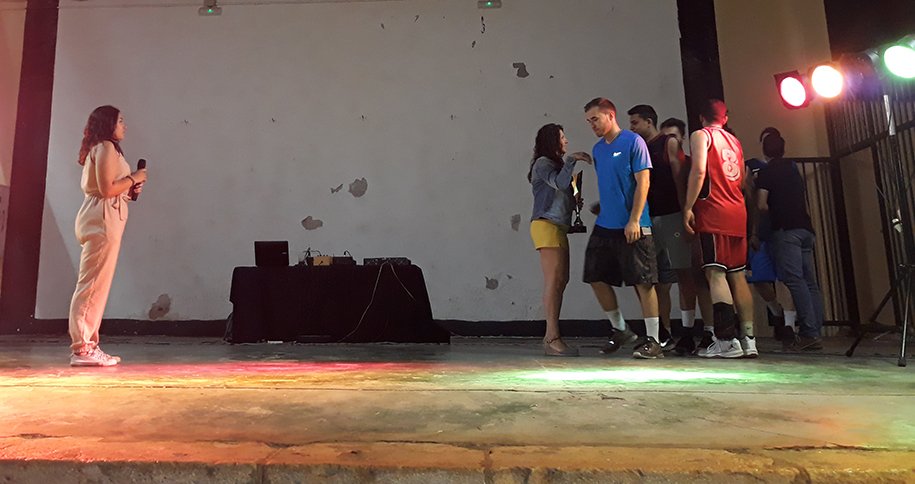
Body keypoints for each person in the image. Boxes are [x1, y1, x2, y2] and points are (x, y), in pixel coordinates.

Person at [582, 98, 663, 359]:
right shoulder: (598, 149)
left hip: (634, 225)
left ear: (610, 116)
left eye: (595, 119)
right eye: (589, 121)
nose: (592, 125)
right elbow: (612, 184)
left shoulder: (633, 142)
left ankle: (654, 340)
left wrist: (634, 219)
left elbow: (643, 182)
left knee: (643, 282)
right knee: (594, 276)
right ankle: (620, 330)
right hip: (606, 224)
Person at [68, 106, 147, 366]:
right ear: (109, 124)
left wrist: (130, 189)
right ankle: (83, 348)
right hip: (102, 219)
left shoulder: (104, 148)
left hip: (103, 216)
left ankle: (87, 345)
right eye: (120, 121)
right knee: (93, 284)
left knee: (96, 283)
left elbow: (110, 188)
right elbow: (106, 189)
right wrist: (133, 178)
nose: (124, 126)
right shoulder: (106, 147)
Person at [683, 100, 756, 358]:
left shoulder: (701, 135)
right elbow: (743, 180)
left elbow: (699, 171)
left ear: (701, 117)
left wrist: (688, 206)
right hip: (738, 212)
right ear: (725, 119)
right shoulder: (734, 141)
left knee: (715, 273)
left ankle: (726, 340)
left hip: (714, 211)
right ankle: (749, 340)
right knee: (737, 275)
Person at [628, 105, 702, 353]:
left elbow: (680, 178)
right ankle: (662, 333)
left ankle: (688, 331)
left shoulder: (668, 143)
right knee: (652, 279)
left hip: (672, 215)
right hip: (649, 218)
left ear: (649, 122)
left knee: (683, 273)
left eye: (635, 122)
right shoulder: (639, 148)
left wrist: (685, 212)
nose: (631, 127)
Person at [528, 123, 592, 356]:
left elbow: (562, 188)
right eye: (562, 137)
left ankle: (552, 337)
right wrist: (572, 159)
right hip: (547, 225)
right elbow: (560, 183)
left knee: (561, 280)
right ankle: (552, 337)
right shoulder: (543, 163)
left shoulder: (553, 165)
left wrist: (573, 202)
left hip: (556, 226)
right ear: (552, 141)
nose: (566, 141)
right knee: (554, 281)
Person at [756, 134, 825, 350]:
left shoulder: (767, 172)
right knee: (809, 281)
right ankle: (815, 330)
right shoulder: (794, 171)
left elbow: (761, 204)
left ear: (764, 150)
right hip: (805, 228)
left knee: (794, 280)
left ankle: (808, 333)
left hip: (786, 231)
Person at [659, 117, 716, 355]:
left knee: (699, 279)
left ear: (683, 137)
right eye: (665, 138)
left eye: (673, 136)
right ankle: (686, 332)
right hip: (672, 223)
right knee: (681, 278)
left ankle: (710, 331)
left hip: (696, 224)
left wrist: (688, 214)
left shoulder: (694, 163)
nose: (669, 141)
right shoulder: (662, 167)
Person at [745, 127, 797, 343]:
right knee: (758, 279)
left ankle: (789, 325)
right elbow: (750, 198)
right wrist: (753, 231)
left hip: (783, 229)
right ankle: (777, 313)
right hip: (761, 231)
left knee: (787, 278)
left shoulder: (789, 167)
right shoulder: (752, 166)